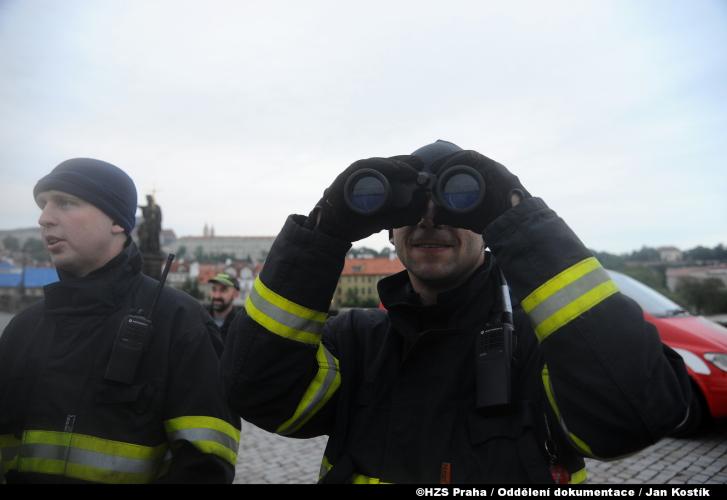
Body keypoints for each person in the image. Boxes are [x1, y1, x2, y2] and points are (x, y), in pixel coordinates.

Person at [222, 140, 692, 484]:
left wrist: (521, 215)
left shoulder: (541, 346)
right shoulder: (355, 344)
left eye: (454, 206)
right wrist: (324, 230)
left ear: (488, 228)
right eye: (411, 209)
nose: (430, 220)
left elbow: (634, 414)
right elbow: (257, 391)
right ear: (389, 231)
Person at [0, 158, 240, 484]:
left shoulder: (180, 322)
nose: (44, 218)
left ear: (117, 221)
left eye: (65, 203)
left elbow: (206, 466)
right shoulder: (22, 329)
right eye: (43, 205)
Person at [207, 272, 241, 342]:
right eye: (214, 289)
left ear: (235, 294)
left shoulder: (239, 326)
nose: (216, 296)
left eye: (223, 290)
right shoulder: (200, 319)